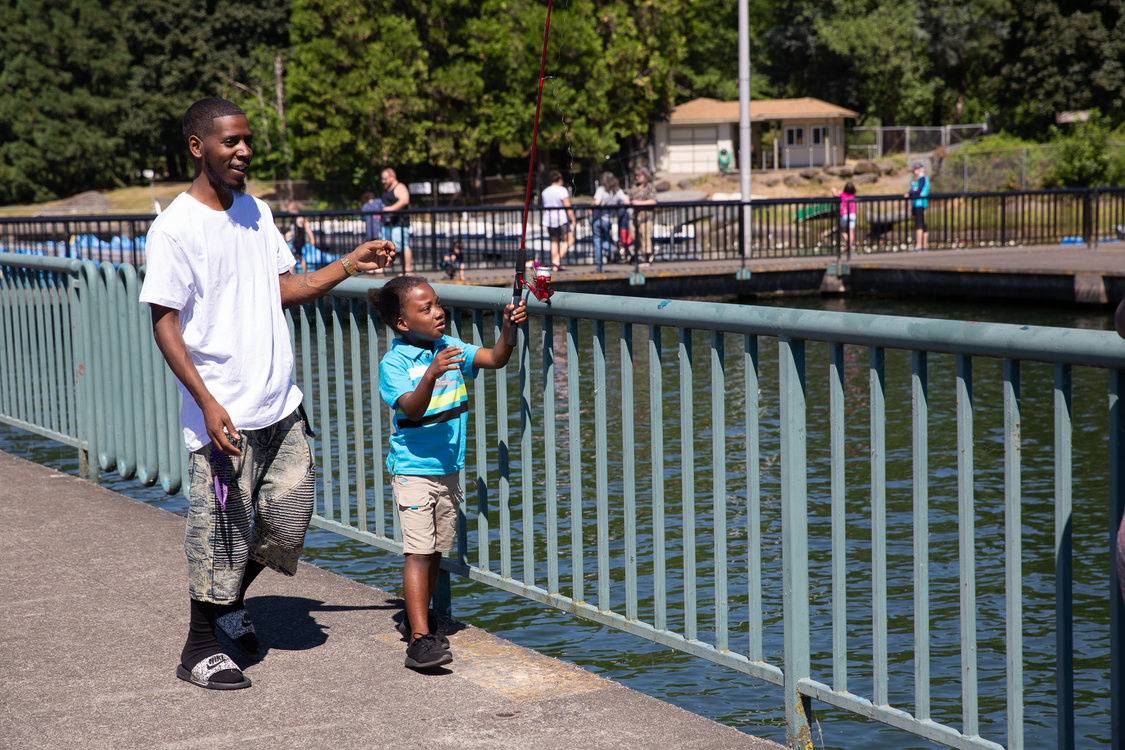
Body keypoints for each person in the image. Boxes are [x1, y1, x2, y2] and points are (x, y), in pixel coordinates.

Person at [139, 97, 396, 692]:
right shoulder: (174, 228)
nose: (244, 151)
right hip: (223, 412)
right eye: (231, 142)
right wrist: (206, 403)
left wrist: (348, 264)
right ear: (198, 146)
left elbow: (287, 287)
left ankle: (229, 603)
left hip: (280, 404)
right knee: (222, 530)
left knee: (286, 525)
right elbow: (164, 324)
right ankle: (198, 648)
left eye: (247, 140)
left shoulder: (256, 212)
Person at [368, 276, 527, 670]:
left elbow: (495, 358)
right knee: (418, 552)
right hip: (414, 471)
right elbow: (412, 408)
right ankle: (420, 640)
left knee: (436, 548)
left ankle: (417, 616)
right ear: (403, 323)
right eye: (426, 308)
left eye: (437, 304)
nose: (438, 311)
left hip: (448, 470)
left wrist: (508, 329)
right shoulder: (396, 362)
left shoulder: (450, 347)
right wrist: (431, 374)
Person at [540, 170, 575, 271]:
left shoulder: (545, 191)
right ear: (559, 179)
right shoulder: (562, 190)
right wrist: (573, 219)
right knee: (569, 240)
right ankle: (556, 261)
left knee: (554, 241)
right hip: (561, 219)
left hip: (548, 219)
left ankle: (555, 264)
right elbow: (567, 206)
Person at [592, 172, 627, 271]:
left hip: (599, 218)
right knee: (602, 240)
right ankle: (612, 248)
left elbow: (597, 202)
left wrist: (592, 205)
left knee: (598, 241)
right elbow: (626, 201)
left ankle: (601, 265)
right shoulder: (617, 191)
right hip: (609, 220)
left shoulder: (601, 190)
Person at [381, 168, 412, 273]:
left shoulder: (400, 187)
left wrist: (391, 209)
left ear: (392, 177)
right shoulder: (387, 189)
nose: (383, 181)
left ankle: (408, 270)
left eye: (385, 179)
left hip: (399, 223)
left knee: (403, 245)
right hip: (388, 223)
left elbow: (404, 200)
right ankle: (383, 268)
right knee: (384, 246)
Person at [627, 166, 658, 266]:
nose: (637, 177)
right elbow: (628, 197)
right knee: (634, 236)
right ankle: (642, 254)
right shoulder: (634, 187)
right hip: (635, 217)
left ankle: (647, 256)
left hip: (646, 217)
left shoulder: (650, 187)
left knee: (645, 236)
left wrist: (639, 203)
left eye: (639, 175)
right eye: (636, 175)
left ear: (645, 175)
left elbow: (654, 201)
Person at [283, 200, 313, 273]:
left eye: (289, 211)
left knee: (294, 259)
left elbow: (307, 228)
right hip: (295, 242)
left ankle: (290, 274)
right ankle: (306, 272)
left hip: (298, 242)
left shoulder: (299, 218)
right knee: (299, 258)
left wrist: (312, 239)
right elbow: (292, 231)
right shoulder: (293, 219)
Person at [905, 162, 929, 251]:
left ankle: (919, 245)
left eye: (914, 170)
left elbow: (917, 191)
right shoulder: (919, 180)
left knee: (919, 225)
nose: (913, 172)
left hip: (920, 204)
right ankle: (924, 245)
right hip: (919, 203)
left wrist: (912, 191)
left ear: (919, 170)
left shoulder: (922, 179)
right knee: (922, 224)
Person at [839, 181, 857, 258]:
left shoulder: (843, 195)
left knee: (841, 229)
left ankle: (846, 237)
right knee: (851, 230)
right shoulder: (853, 196)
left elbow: (836, 194)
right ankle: (849, 246)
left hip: (845, 214)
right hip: (853, 214)